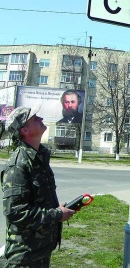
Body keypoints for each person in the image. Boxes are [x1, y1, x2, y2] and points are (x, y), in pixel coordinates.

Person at [1, 105, 75, 267]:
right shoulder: (18, 164)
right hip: (24, 255)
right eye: (35, 118)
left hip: (41, 250)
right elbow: (15, 212)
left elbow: (38, 202)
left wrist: (58, 208)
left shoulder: (39, 158)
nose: (41, 119)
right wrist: (56, 214)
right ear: (24, 131)